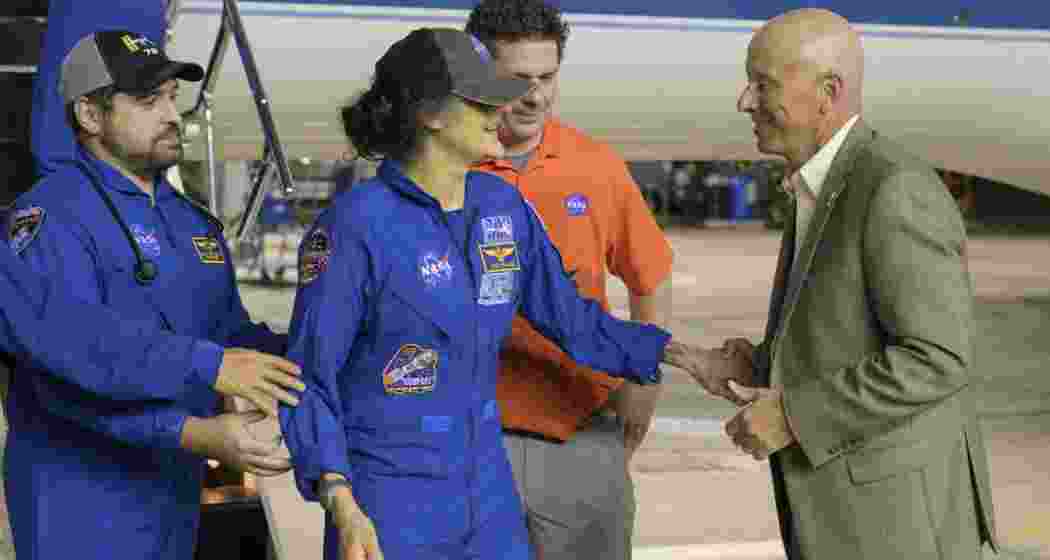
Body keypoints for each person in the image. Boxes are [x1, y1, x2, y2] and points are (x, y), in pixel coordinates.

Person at [278, 27, 725, 560]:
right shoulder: (354, 226)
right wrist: (340, 500)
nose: (501, 110)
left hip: (488, 498)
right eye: (481, 100)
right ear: (430, 114)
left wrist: (685, 356)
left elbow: (576, 323)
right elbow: (309, 378)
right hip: (390, 500)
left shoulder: (503, 208)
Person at [6, 30, 299, 560]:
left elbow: (229, 337)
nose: (172, 116)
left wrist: (312, 349)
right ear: (90, 115)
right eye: (148, 101)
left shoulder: (194, 226)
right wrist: (196, 423)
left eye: (172, 97)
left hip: (171, 499)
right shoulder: (52, 218)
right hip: (79, 502)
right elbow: (62, 361)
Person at [719, 9, 999, 559]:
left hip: (899, 530)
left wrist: (793, 416)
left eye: (763, 84)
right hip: (854, 521)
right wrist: (756, 366)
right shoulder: (821, 185)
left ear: (828, 93)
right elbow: (848, 336)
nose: (745, 101)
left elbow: (938, 358)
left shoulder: (893, 190)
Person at [464, 2, 682, 557]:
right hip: (464, 442)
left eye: (547, 77)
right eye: (518, 79)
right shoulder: (444, 166)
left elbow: (650, 277)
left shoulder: (595, 166)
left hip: (580, 434)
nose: (536, 96)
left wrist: (643, 389)